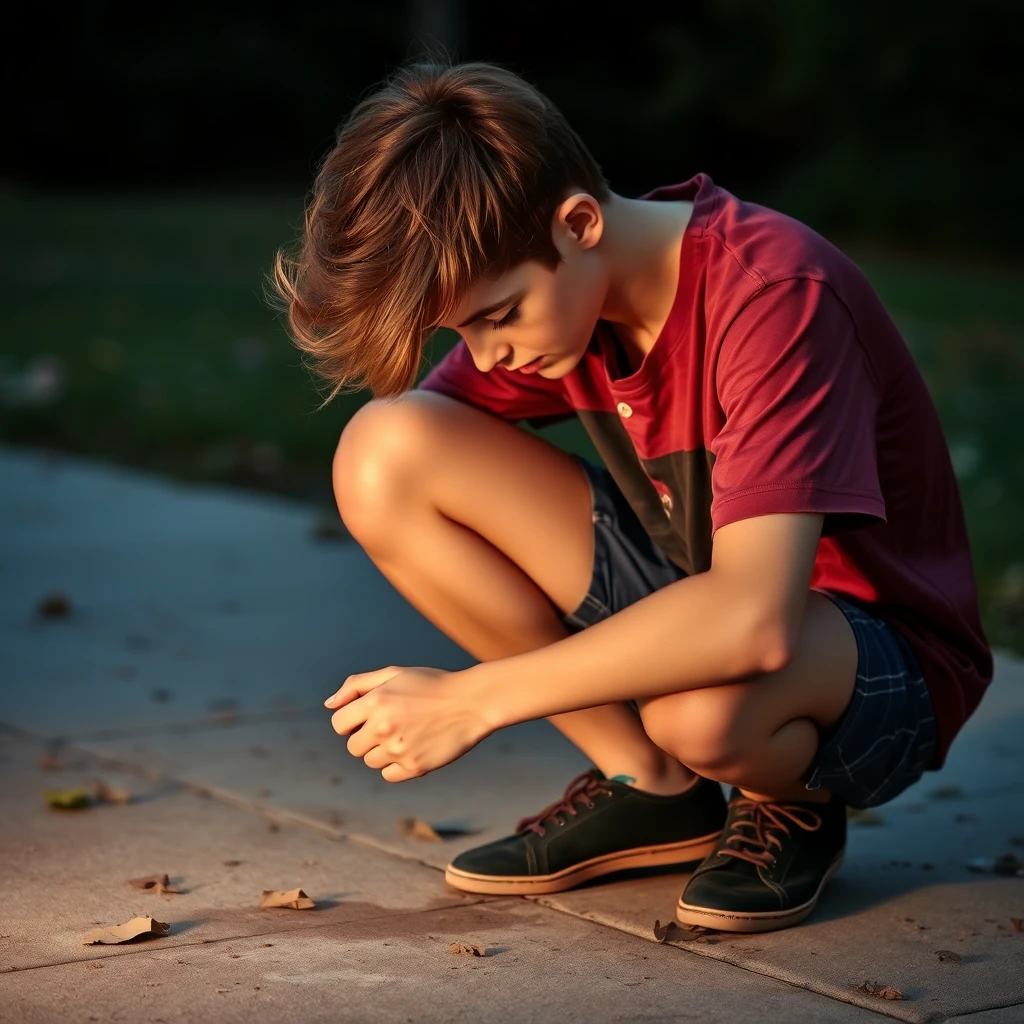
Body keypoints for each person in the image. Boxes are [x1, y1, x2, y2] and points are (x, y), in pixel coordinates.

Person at [267, 60, 992, 933]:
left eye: (498, 316)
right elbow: (424, 451)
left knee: (700, 707)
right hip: (718, 594)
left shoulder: (774, 295)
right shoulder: (567, 306)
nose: (486, 353)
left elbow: (755, 620)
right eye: (462, 329)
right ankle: (651, 787)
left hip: (881, 661)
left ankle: (785, 798)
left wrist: (475, 698)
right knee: (384, 449)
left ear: (577, 223)